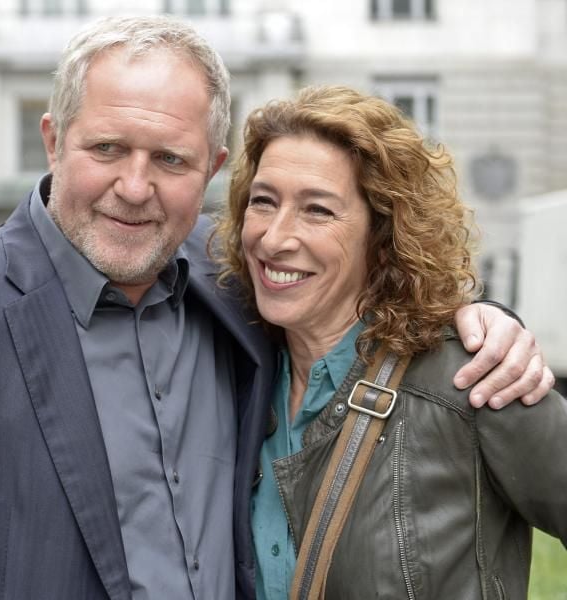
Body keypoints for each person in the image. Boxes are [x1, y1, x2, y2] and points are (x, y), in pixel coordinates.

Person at [0, 17, 553, 600]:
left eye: (169, 159)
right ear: (53, 139)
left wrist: (484, 317)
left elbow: (366, 270)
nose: (135, 187)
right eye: (107, 149)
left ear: (210, 169)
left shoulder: (239, 283)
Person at [213, 84, 567, 600]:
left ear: (385, 237)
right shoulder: (232, 369)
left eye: (318, 210)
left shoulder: (472, 378)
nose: (273, 239)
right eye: (263, 202)